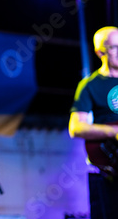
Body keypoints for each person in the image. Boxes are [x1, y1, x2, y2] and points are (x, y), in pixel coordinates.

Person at [68, 26, 118, 218]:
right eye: (115, 47)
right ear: (100, 52)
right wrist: (113, 132)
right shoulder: (90, 86)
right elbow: (76, 127)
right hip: (110, 169)